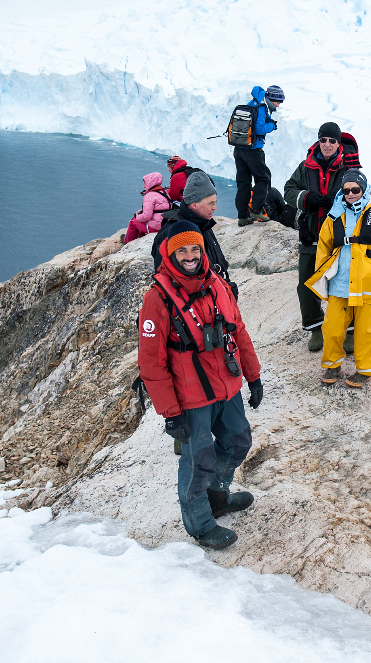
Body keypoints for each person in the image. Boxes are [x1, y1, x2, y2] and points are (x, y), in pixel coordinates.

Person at [138, 221, 263, 550]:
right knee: (199, 459)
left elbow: (239, 331)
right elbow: (152, 363)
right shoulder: (158, 299)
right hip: (191, 395)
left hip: (227, 384)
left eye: (195, 249)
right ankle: (200, 523)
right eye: (182, 251)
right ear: (170, 254)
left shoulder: (217, 283)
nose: (190, 256)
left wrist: (254, 375)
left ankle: (217, 497)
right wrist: (170, 412)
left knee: (237, 442)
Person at [304, 170, 371, 387]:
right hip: (340, 283)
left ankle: (364, 370)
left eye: (355, 189)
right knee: (332, 327)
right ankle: (332, 365)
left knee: (366, 330)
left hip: (369, 285)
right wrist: (323, 275)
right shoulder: (335, 215)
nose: (351, 194)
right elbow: (324, 246)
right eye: (346, 190)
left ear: (363, 190)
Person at [284, 122, 359, 350]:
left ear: (338, 144)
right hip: (311, 235)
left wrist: (339, 201)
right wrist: (307, 197)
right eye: (323, 139)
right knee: (307, 285)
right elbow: (289, 190)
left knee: (343, 282)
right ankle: (316, 329)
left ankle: (348, 332)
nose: (327, 144)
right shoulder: (306, 166)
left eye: (332, 141)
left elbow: (360, 195)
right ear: (318, 141)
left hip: (339, 239)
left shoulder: (348, 169)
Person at [151, 171, 237, 297]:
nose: (215, 207)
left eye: (215, 202)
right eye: (210, 203)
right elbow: (166, 282)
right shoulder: (173, 233)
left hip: (214, 297)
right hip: (195, 307)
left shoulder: (203, 224)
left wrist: (225, 288)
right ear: (194, 204)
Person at [236, 85, 284, 226]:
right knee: (263, 178)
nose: (278, 105)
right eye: (278, 101)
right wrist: (273, 126)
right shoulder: (262, 107)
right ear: (272, 99)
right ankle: (256, 210)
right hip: (253, 150)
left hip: (239, 149)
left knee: (243, 183)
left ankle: (242, 217)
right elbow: (259, 128)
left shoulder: (252, 103)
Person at [122, 172, 172, 243]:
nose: (144, 186)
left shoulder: (150, 195)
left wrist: (137, 216)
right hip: (166, 223)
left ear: (150, 183)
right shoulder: (164, 192)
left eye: (145, 183)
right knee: (141, 220)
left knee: (133, 222)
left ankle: (127, 242)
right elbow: (158, 209)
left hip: (157, 226)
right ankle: (140, 236)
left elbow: (146, 216)